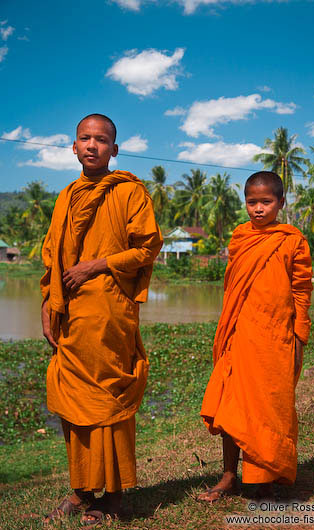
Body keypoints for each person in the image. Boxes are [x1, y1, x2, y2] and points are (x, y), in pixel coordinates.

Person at [40, 113, 163, 525]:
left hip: (109, 312)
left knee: (106, 399)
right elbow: (51, 259)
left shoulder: (129, 193)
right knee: (72, 403)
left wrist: (97, 266)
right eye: (85, 138)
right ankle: (80, 490)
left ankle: (112, 497)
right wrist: (47, 306)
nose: (92, 145)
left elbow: (146, 248)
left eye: (102, 139)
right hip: (71, 315)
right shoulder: (64, 197)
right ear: (73, 146)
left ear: (115, 148)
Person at [198, 171, 312, 502]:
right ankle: (229, 476)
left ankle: (264, 480)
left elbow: (301, 289)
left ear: (281, 203)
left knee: (269, 407)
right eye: (252, 202)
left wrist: (299, 330)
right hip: (239, 332)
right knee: (232, 403)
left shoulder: (293, 240)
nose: (258, 209)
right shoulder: (240, 237)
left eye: (266, 202)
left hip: (275, 336)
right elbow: (233, 285)